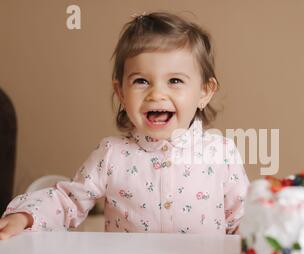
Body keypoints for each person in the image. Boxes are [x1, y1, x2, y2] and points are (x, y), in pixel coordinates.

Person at [0, 12, 249, 240]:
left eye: (175, 80)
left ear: (204, 92)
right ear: (121, 92)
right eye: (141, 81)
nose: (156, 94)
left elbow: (243, 221)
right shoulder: (111, 155)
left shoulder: (221, 154)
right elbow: (68, 201)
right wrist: (25, 216)